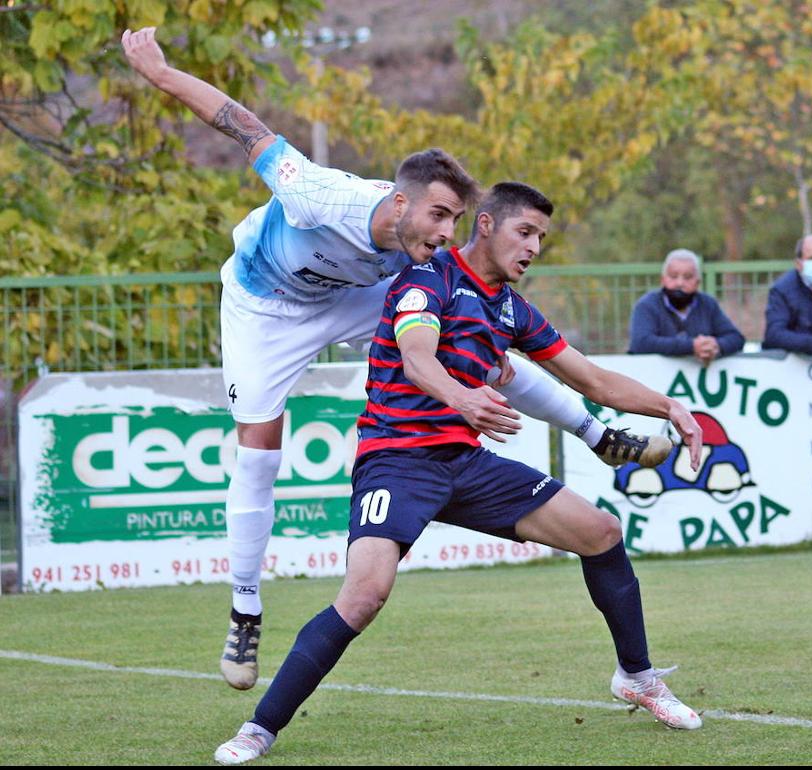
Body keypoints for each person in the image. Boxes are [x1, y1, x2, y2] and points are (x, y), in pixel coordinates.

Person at [120, 27, 673, 692]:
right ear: (400, 203)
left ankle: (597, 433)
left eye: (455, 221)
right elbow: (240, 122)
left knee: (480, 346)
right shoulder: (317, 193)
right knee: (261, 449)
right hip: (265, 305)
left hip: (352, 296)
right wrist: (159, 72)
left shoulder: (422, 254)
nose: (447, 234)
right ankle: (244, 606)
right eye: (440, 217)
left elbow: (472, 301)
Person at [212, 182, 706, 764]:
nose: (534, 247)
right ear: (488, 225)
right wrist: (464, 399)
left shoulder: (512, 309)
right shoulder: (428, 279)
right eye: (526, 232)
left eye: (542, 238)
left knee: (601, 533)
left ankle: (638, 677)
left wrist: (671, 407)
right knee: (365, 595)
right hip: (396, 458)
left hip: (465, 464)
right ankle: (259, 729)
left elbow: (593, 380)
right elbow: (418, 358)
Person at [628, 248, 745, 366]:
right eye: (673, 276)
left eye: (688, 277)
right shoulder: (646, 305)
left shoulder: (708, 304)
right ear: (662, 280)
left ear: (698, 282)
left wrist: (715, 346)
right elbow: (641, 343)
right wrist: (692, 346)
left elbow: (736, 338)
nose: (680, 283)